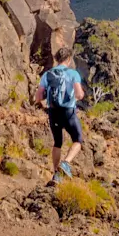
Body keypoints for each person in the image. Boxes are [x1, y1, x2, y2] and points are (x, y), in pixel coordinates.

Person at [34, 46, 85, 184]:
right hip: (68, 112)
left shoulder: (47, 74)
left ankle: (57, 174)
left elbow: (38, 97)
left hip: (53, 112)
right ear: (69, 59)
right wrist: (77, 96)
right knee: (78, 140)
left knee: (58, 142)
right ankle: (66, 163)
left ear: (56, 59)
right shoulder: (73, 74)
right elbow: (79, 94)